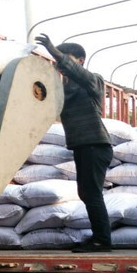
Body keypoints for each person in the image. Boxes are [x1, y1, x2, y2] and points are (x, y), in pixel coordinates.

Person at [35, 33, 114, 252]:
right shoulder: (63, 89)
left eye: (65, 58)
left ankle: (102, 241)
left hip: (95, 144)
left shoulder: (93, 81)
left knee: (92, 193)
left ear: (80, 60)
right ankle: (99, 237)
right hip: (82, 145)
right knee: (86, 193)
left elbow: (77, 73)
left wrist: (54, 51)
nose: (60, 64)